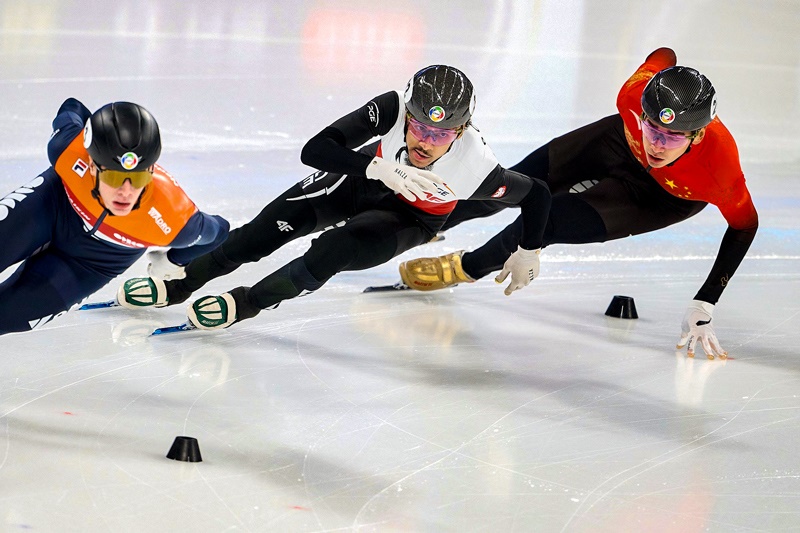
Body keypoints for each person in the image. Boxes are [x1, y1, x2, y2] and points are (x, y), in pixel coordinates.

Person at [116, 65, 552, 329]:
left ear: (460, 132)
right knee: (265, 230)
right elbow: (316, 149)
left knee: (334, 249)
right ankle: (182, 285)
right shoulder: (394, 106)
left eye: (439, 134)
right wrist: (377, 167)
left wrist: (528, 249)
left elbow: (537, 193)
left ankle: (245, 302)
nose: (424, 140)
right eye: (418, 126)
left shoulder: (475, 167)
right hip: (369, 178)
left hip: (412, 218)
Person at [398, 48, 758, 360]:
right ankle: (429, 221)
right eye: (653, 129)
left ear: (697, 134)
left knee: (549, 220)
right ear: (644, 113)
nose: (658, 145)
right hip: (617, 142)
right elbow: (663, 55)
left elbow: (745, 225)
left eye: (673, 137)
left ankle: (466, 268)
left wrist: (705, 301)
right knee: (517, 183)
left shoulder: (719, 168)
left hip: (660, 197)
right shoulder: (633, 95)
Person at [0, 98, 229, 334]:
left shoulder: (172, 218)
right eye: (114, 178)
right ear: (91, 165)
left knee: (6, 317)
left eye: (138, 179)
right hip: (50, 207)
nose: (126, 192)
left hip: (92, 263)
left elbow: (220, 231)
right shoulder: (67, 149)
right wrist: (96, 135)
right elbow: (72, 107)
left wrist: (175, 259)